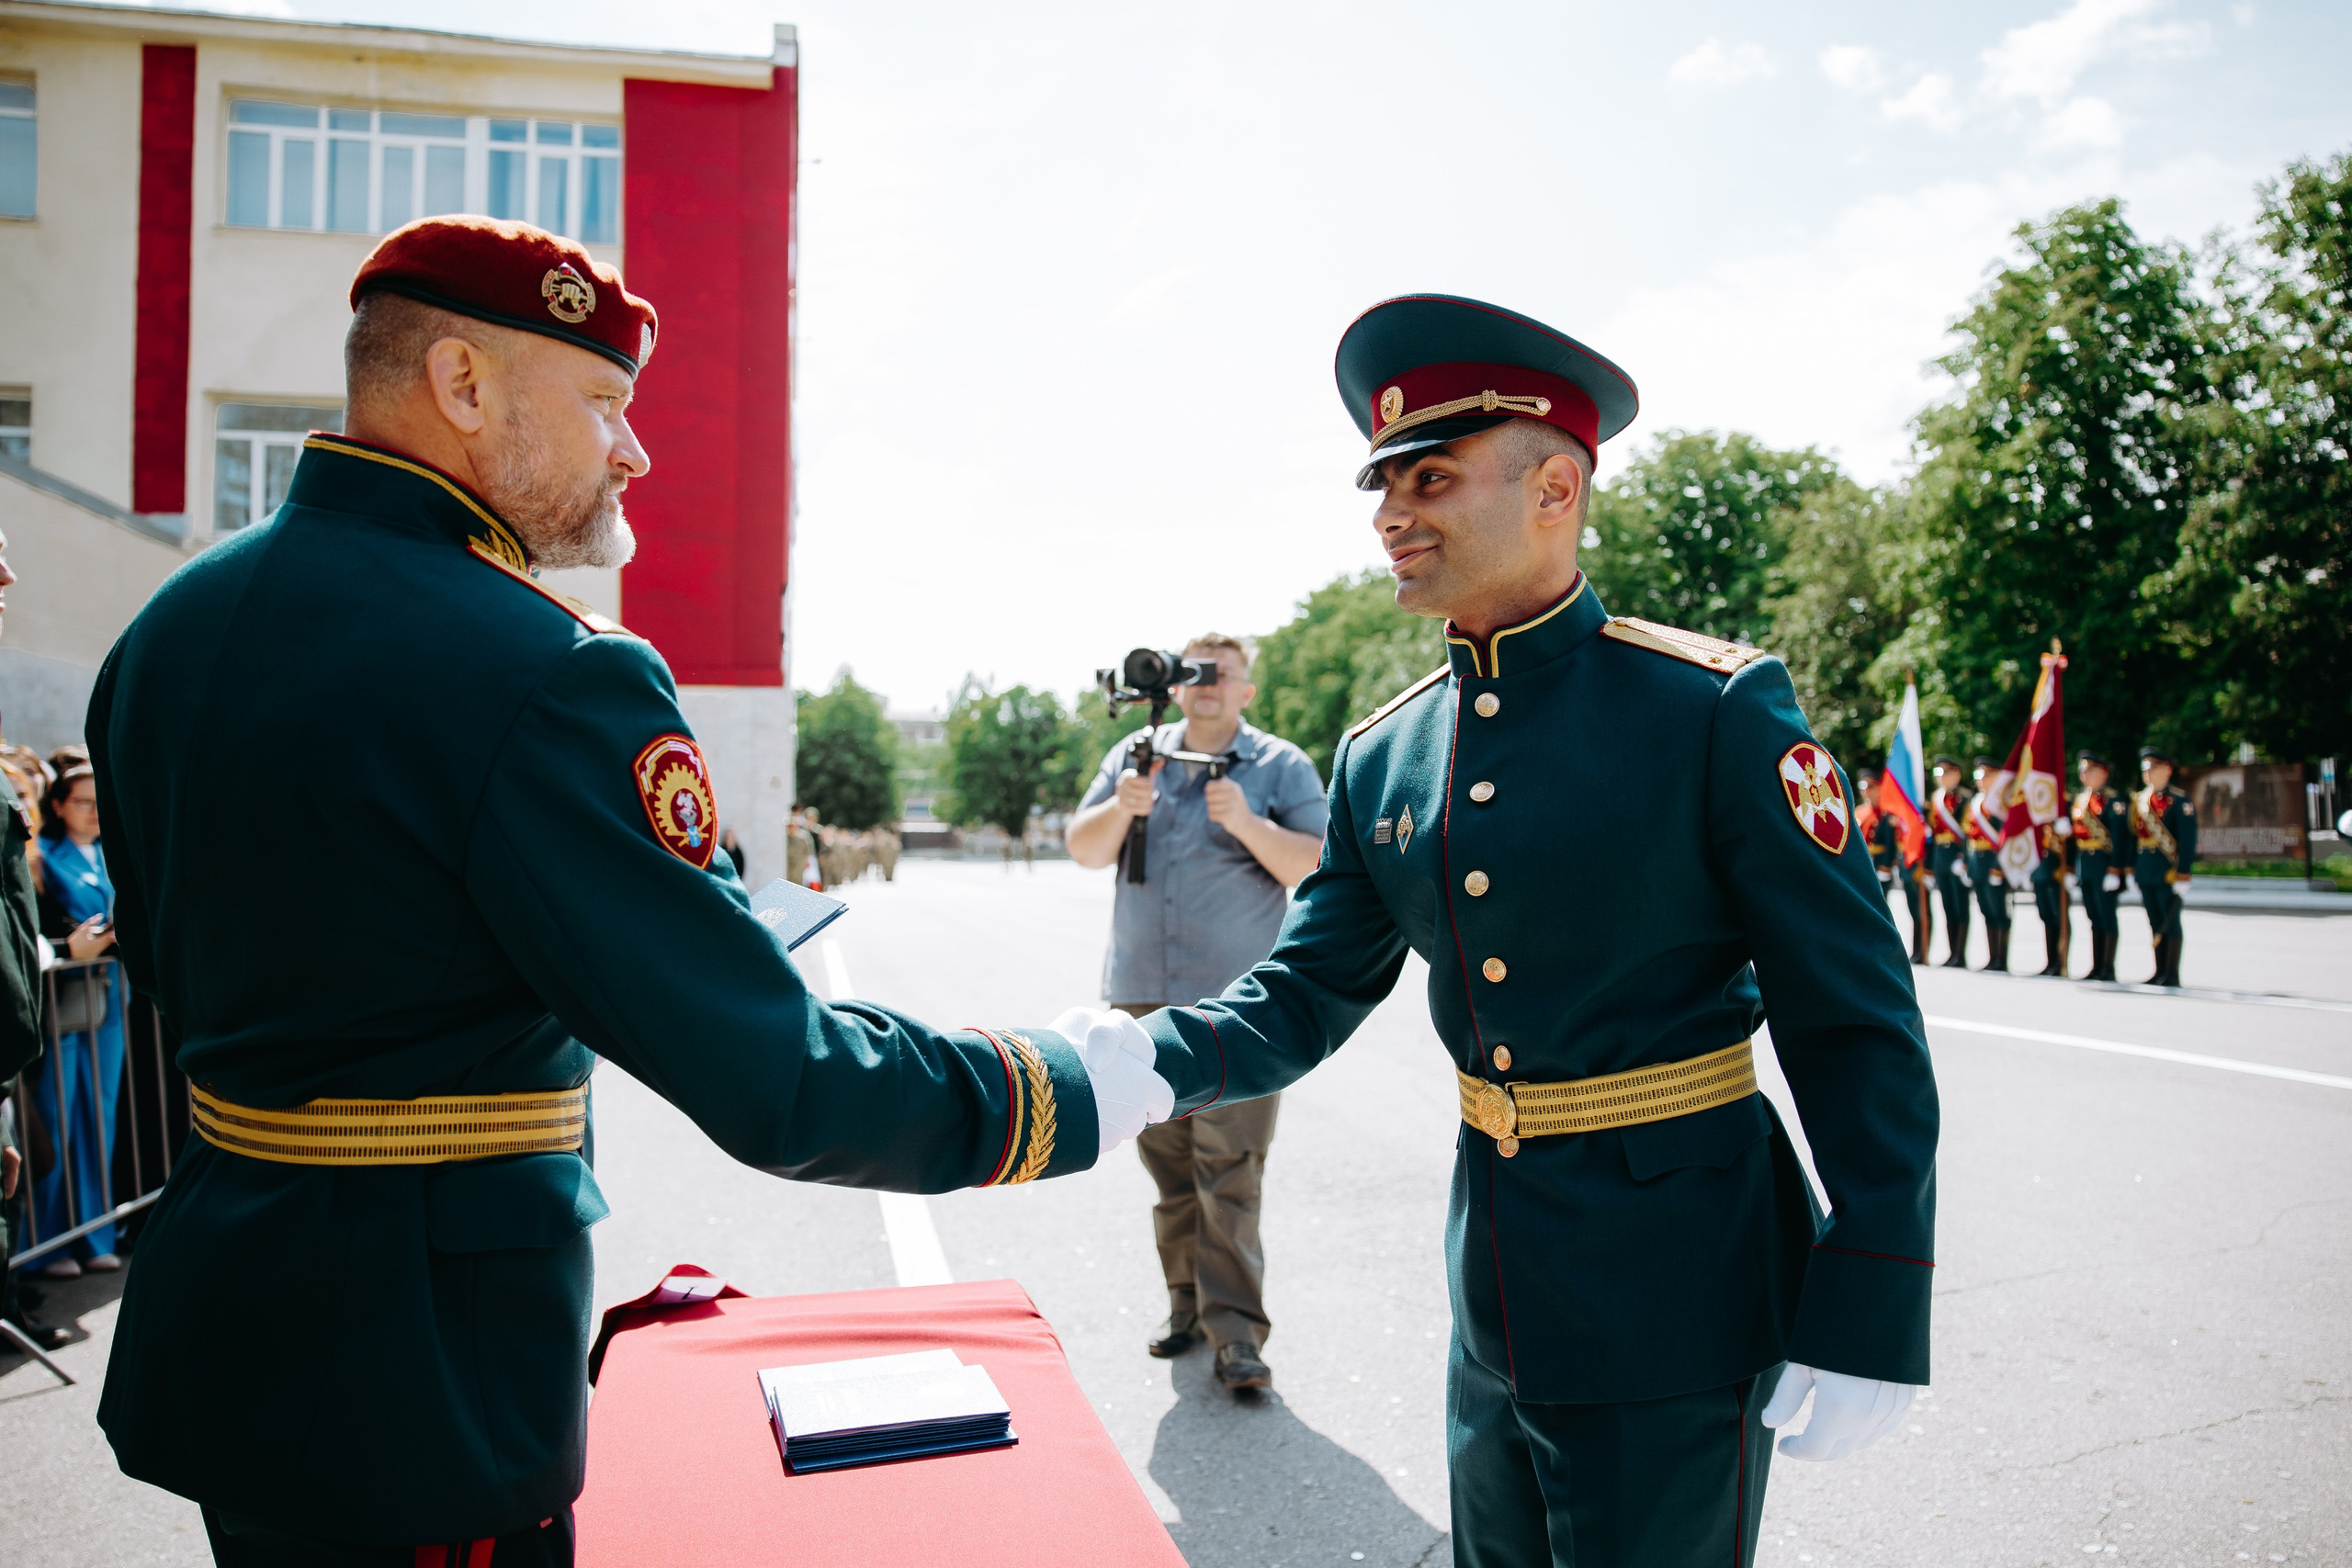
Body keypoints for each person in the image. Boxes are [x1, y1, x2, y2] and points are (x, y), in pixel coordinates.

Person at [86, 216, 1168, 1566]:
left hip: (227, 1328)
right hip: (424, 1384)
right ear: (465, 386)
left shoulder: (167, 632)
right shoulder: (542, 665)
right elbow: (789, 1083)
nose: (634, 449)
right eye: (603, 400)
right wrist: (1067, 1085)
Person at [1052, 295, 1935, 1568]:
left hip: (1678, 1288)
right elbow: (1306, 989)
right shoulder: (1386, 747)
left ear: (1555, 487)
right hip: (1496, 1290)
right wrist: (1146, 1061)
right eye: (1385, 483)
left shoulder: (1712, 709)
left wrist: (1875, 1292)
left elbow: (1854, 1020)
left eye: (1434, 476)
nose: (1390, 514)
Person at [1064, 633, 1328, 1393]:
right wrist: (1123, 804)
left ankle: (1238, 1336)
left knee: (1231, 1171)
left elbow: (1315, 864)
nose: (1208, 685)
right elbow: (1082, 848)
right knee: (1170, 1167)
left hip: (1238, 1006)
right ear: (1175, 685)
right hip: (1142, 995)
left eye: (1225, 674)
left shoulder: (1279, 765)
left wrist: (1246, 822)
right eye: (1196, 673)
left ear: (1247, 690)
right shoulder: (1134, 755)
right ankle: (1186, 1308)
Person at [31, 748, 125, 1276]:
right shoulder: (42, 855)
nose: (93, 811)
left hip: (110, 998)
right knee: (56, 1118)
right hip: (60, 1001)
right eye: (82, 802)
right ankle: (46, 1244)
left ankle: (95, 1235)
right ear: (60, 805)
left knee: (101, 1116)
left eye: (98, 802)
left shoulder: (116, 852)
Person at [2132, 746, 2196, 987]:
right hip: (2146, 869)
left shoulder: (2179, 802)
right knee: (2155, 921)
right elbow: (2132, 839)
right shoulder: (2139, 801)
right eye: (2145, 769)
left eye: (2152, 768)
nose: (2147, 773)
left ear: (2167, 770)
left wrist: (2184, 874)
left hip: (2168, 871)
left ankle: (2171, 973)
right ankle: (2159, 971)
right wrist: (2131, 870)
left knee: (2170, 921)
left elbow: (2188, 842)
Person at [2070, 751, 2131, 982]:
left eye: (2090, 770)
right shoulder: (2080, 800)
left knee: (2107, 917)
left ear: (2103, 773)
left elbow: (2120, 838)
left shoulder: (2114, 802)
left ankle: (2108, 967)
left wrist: (2115, 869)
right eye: (2083, 771)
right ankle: (2097, 966)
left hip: (2105, 867)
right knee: (2093, 918)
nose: (2084, 775)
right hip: (2086, 867)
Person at [1964, 757, 2012, 972]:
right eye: (1979, 776)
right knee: (1986, 911)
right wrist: (1967, 864)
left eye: (1985, 776)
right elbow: (1968, 836)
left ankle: (2001, 959)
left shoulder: (2003, 802)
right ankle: (1993, 957)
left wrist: (2000, 868)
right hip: (1978, 862)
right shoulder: (1975, 803)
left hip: (1995, 863)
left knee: (1999, 912)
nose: (1981, 781)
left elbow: (2007, 838)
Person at [1928, 757, 1973, 967]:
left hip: (1956, 856)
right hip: (1941, 857)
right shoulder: (1936, 799)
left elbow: (1968, 832)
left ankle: (1960, 954)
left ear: (1956, 775)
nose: (1942, 778)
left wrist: (1963, 858)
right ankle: (1952, 952)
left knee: (1960, 906)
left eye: (1946, 773)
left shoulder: (1965, 800)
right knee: (1947, 907)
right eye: (1940, 774)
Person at [2029, 807, 2071, 976]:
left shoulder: (2063, 806)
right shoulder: (2034, 805)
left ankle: (2061, 962)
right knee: (2046, 916)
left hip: (2057, 870)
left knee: (2059, 918)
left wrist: (2071, 869)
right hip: (2039, 869)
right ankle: (2051, 962)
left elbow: (2073, 843)